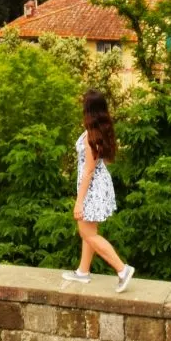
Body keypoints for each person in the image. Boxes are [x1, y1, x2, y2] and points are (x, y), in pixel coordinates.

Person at [62, 89, 134, 292]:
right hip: (98, 185)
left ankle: (122, 269)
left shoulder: (90, 137)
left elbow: (88, 170)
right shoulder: (99, 131)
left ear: (89, 109)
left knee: (86, 232)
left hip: (92, 187)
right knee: (89, 231)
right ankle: (83, 272)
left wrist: (79, 201)